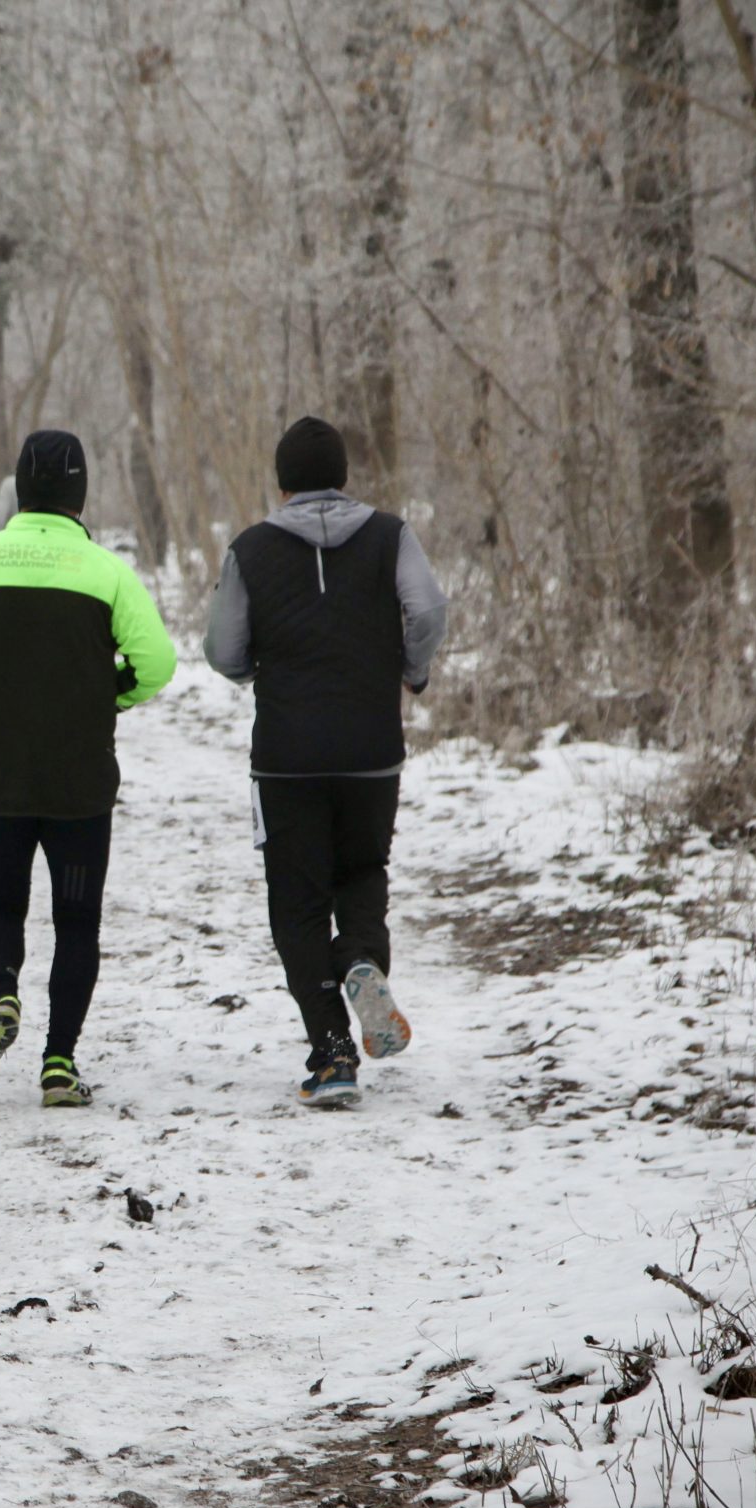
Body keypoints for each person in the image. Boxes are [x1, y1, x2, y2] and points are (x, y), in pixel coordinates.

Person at [0, 429, 175, 1108]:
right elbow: (157, 664)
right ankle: (59, 1063)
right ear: (81, 492)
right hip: (79, 780)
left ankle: (2, 995)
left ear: (20, 490)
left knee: (0, 905)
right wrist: (102, 693)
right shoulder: (106, 571)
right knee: (76, 921)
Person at [202, 416, 448, 1109]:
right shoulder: (390, 535)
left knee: (298, 904)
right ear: (343, 474)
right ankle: (363, 959)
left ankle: (332, 1051)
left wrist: (265, 669)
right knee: (364, 870)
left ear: (281, 480)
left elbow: (222, 650)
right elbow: (428, 607)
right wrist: (410, 668)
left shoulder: (250, 549)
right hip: (372, 749)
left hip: (285, 757)